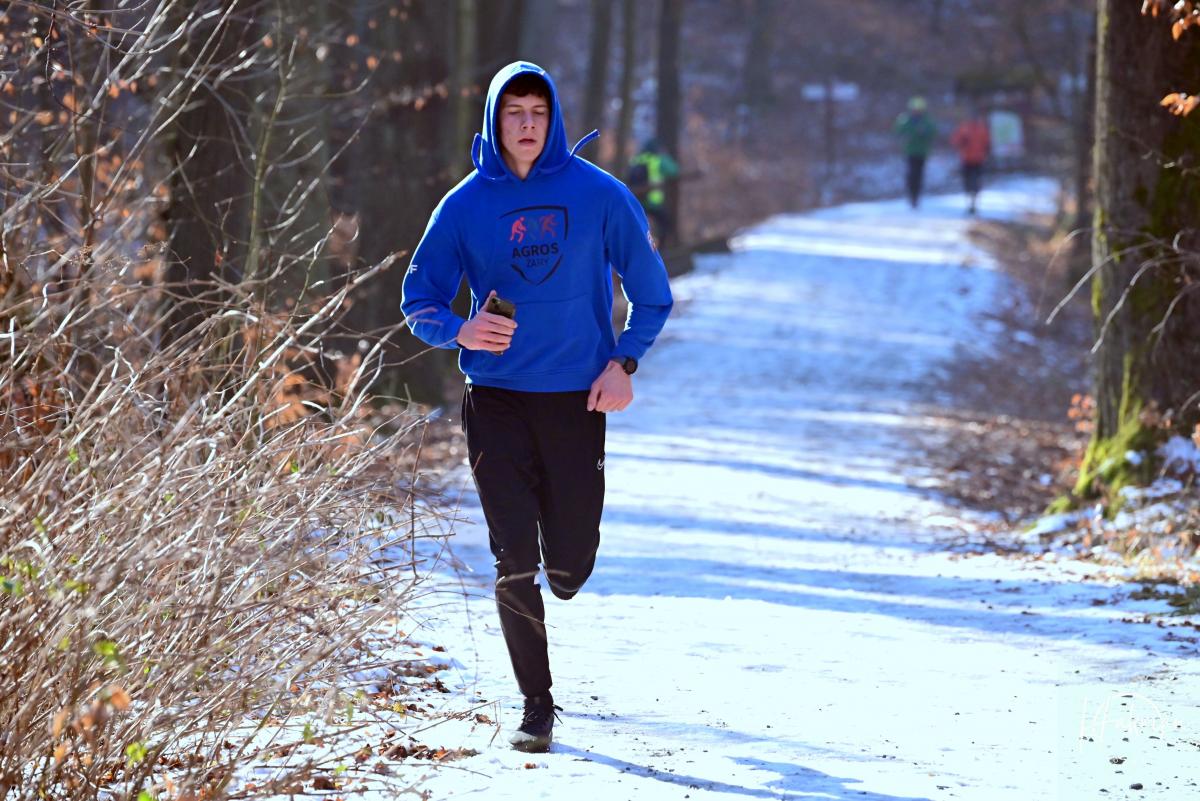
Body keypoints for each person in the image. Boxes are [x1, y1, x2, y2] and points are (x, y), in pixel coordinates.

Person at [400, 62, 673, 753]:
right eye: (513, 112)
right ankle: (536, 705)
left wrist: (624, 362)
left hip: (576, 399)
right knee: (513, 556)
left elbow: (652, 294)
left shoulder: (600, 195)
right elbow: (419, 299)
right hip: (495, 400)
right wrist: (459, 329)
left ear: (553, 120)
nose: (526, 125)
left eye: (538, 113)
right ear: (495, 120)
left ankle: (567, 568)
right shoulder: (463, 206)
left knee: (569, 566)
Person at [628, 138, 680, 245]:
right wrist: (665, 156)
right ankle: (661, 248)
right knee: (665, 224)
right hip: (652, 202)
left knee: (638, 226)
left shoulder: (636, 160)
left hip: (636, 201)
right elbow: (674, 170)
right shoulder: (658, 160)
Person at [893, 96, 937, 209]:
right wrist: (906, 134)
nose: (917, 111)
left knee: (919, 174)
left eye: (919, 109)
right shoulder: (905, 120)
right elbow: (897, 131)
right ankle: (911, 195)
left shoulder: (927, 120)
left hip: (922, 152)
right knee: (911, 174)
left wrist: (925, 132)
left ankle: (916, 196)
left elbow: (933, 132)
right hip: (910, 151)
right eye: (915, 109)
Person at [950, 107, 991, 215]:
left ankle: (974, 202)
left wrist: (987, 151)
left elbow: (987, 142)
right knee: (967, 182)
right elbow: (955, 140)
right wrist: (961, 142)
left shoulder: (982, 129)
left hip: (979, 160)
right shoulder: (964, 128)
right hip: (966, 159)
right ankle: (970, 201)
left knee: (977, 181)